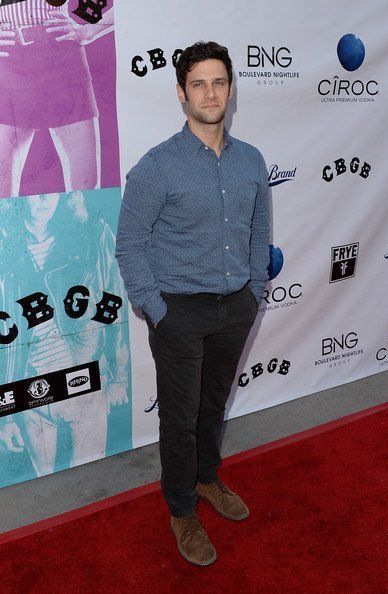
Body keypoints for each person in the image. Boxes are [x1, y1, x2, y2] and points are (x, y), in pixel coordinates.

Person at [116, 41, 270, 566]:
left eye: (218, 82)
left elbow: (259, 235)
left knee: (213, 406)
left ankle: (207, 479)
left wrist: (254, 294)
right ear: (181, 93)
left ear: (231, 89)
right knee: (179, 420)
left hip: (235, 308)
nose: (210, 93)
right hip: (178, 312)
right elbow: (129, 245)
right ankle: (181, 510)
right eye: (198, 84)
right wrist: (157, 311)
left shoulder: (251, 161)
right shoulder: (157, 166)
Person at [0, 191, 129, 481]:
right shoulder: (5, 246)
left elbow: (115, 302)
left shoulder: (91, 234)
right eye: (34, 191)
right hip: (31, 392)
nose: (45, 198)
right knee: (41, 486)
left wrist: (120, 377)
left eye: (52, 190)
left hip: (86, 383)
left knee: (92, 480)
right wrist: (4, 418)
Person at [0, 1, 114, 198]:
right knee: (4, 198)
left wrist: (90, 30)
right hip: (9, 61)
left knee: (86, 191)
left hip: (62, 55)